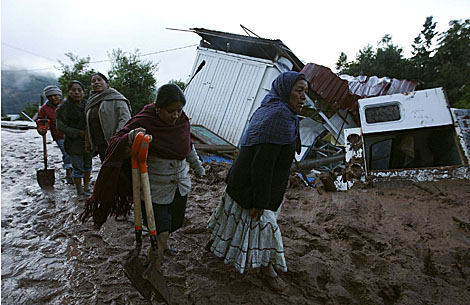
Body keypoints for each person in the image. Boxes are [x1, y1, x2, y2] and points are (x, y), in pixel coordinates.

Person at [81, 83, 205, 269]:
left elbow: (188, 146)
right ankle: (153, 268)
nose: (176, 116)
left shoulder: (181, 122)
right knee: (160, 231)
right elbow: (117, 145)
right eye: (171, 111)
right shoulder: (144, 121)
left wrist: (198, 168)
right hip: (153, 189)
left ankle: (162, 244)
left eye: (179, 111)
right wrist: (131, 138)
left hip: (180, 185)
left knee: (174, 224)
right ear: (158, 107)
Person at [206, 71, 308, 291]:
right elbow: (262, 164)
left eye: (305, 92)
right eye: (299, 91)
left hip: (244, 181)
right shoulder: (278, 116)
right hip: (253, 186)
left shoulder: (274, 109)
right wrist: (260, 201)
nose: (303, 97)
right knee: (265, 226)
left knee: (233, 218)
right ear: (285, 90)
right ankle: (267, 269)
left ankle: (216, 245)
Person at [56, 81, 93, 200]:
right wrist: (78, 133)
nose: (77, 92)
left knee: (88, 166)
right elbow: (61, 126)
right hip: (73, 143)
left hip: (88, 141)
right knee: (78, 168)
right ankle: (79, 191)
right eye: (74, 90)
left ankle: (87, 187)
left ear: (83, 92)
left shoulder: (88, 104)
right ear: (69, 92)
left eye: (79, 90)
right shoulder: (64, 107)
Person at [84, 72, 132, 162]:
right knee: (107, 167)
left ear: (107, 83)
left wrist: (117, 137)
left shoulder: (116, 98)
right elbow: (87, 124)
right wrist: (88, 142)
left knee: (119, 168)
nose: (96, 82)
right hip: (100, 144)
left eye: (99, 80)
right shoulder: (91, 101)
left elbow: (125, 118)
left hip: (115, 141)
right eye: (93, 81)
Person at [37, 85, 73, 183]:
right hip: (58, 135)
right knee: (66, 151)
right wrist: (41, 130)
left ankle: (75, 170)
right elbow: (40, 120)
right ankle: (69, 171)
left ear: (59, 95)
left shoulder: (68, 104)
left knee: (74, 152)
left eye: (55, 95)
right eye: (50, 96)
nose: (53, 98)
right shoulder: (45, 109)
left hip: (73, 133)